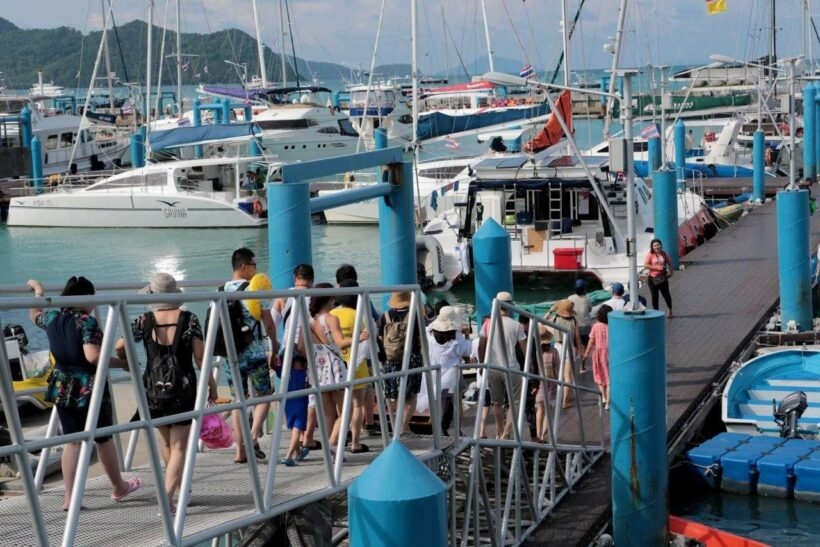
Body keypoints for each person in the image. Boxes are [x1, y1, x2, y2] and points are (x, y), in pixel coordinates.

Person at [27, 277, 140, 511]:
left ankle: (70, 498)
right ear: (85, 297)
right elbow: (92, 356)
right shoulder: (86, 322)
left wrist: (39, 291)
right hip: (89, 387)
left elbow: (34, 314)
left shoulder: (52, 318)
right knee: (103, 438)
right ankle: (118, 486)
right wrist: (123, 363)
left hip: (61, 385)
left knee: (72, 441)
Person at [115, 272, 218, 512]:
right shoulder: (190, 319)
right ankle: (167, 496)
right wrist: (211, 385)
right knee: (181, 446)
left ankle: (182, 492)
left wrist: (126, 360)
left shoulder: (144, 320)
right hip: (183, 388)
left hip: (154, 388)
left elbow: (120, 346)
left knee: (168, 443)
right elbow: (201, 357)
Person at [224, 248, 277, 464]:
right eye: (254, 264)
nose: (257, 269)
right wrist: (275, 344)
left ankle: (240, 451)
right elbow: (269, 323)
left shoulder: (220, 290)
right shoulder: (255, 289)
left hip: (231, 355)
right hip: (254, 353)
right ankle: (253, 437)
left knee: (239, 401)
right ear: (244, 267)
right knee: (265, 395)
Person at [272, 264, 320, 450]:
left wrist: (274, 347)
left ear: (295, 278)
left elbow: (272, 323)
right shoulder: (315, 298)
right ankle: (305, 437)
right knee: (311, 395)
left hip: (288, 351)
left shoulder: (282, 297)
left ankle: (297, 436)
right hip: (310, 351)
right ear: (312, 279)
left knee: (292, 393)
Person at [299, 283, 350, 458]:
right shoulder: (331, 318)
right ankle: (333, 443)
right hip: (334, 366)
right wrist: (360, 337)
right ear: (329, 298)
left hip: (317, 367)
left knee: (327, 412)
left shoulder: (309, 321)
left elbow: (300, 347)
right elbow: (341, 342)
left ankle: (333, 454)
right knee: (345, 411)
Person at [329, 279, 372, 453]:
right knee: (357, 405)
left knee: (341, 409)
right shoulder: (358, 314)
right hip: (357, 364)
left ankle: (338, 439)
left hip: (337, 366)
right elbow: (367, 339)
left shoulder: (332, 314)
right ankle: (355, 443)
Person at [478, 292, 527, 439]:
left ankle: (499, 430)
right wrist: (529, 366)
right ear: (510, 306)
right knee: (515, 403)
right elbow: (524, 349)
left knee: (496, 403)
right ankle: (506, 432)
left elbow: (481, 346)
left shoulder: (487, 323)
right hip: (512, 368)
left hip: (493, 368)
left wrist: (482, 365)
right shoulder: (517, 325)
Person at [378, 291, 424, 436]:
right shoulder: (415, 315)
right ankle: (404, 428)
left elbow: (381, 337)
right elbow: (421, 339)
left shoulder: (385, 316)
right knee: (411, 395)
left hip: (391, 359)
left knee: (394, 394)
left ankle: (395, 426)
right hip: (411, 358)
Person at [426, 306, 473, 436]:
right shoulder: (456, 337)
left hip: (434, 374)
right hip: (452, 376)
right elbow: (467, 351)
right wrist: (467, 335)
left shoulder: (428, 333)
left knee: (436, 405)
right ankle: (457, 431)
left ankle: (438, 432)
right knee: (457, 404)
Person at [546, 299, 585, 409]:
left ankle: (556, 396)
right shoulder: (574, 320)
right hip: (570, 347)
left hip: (558, 347)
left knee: (559, 374)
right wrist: (580, 349)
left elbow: (543, 321)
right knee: (568, 376)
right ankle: (565, 401)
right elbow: (577, 338)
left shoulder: (556, 318)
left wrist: (550, 311)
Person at [280, 357, 309, 466]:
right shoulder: (306, 374)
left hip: (288, 405)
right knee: (296, 432)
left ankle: (299, 453)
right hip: (301, 404)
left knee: (293, 431)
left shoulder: (287, 373)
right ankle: (288, 456)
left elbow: (274, 365)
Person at [583, 305, 612, 410]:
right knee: (609, 379)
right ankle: (608, 403)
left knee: (600, 375)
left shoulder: (595, 326)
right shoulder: (611, 326)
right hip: (609, 353)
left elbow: (591, 341)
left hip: (598, 353)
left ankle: (603, 398)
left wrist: (586, 353)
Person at [534, 326, 559, 442]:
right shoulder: (554, 352)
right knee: (549, 411)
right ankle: (544, 435)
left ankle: (538, 435)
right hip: (552, 383)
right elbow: (557, 368)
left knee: (540, 409)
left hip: (539, 383)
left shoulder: (536, 353)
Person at [643, 238, 674, 317]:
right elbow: (646, 265)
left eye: (658, 245)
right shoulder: (650, 254)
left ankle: (670, 310)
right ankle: (656, 313)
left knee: (666, 294)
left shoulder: (664, 254)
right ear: (652, 247)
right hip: (652, 278)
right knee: (654, 296)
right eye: (655, 245)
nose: (657, 247)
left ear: (661, 245)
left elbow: (669, 263)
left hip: (662, 278)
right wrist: (656, 268)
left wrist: (671, 271)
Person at [567, 279, 592, 373]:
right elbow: (590, 309)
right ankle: (582, 367)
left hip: (573, 326)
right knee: (583, 348)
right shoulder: (587, 299)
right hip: (585, 327)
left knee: (574, 347)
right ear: (584, 289)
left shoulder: (570, 298)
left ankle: (570, 367)